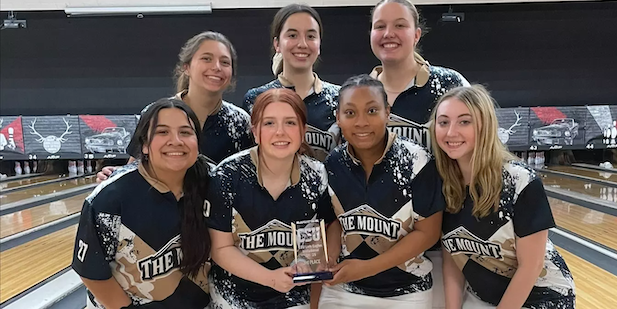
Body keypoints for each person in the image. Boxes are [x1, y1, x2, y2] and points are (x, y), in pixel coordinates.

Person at [431, 85, 576, 309]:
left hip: (543, 297)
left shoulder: (520, 181)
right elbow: (453, 256)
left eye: (464, 121)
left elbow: (532, 265)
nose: (451, 132)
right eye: (443, 122)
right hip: (484, 298)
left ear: (484, 126)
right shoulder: (442, 183)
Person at [72, 98, 214, 309]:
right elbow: (91, 272)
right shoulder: (110, 198)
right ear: (145, 145)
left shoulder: (213, 183)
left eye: (185, 132)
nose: (175, 140)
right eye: (162, 132)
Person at [319, 75, 444, 308]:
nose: (361, 122)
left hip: (407, 291)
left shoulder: (417, 161)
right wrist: (330, 255)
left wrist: (366, 268)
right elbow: (335, 220)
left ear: (388, 112)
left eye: (372, 111)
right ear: (338, 117)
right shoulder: (334, 163)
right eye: (350, 113)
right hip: (345, 288)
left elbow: (428, 233)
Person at [206, 88, 336, 308]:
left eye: (290, 123)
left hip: (295, 298)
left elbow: (331, 225)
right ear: (255, 132)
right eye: (269, 123)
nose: (280, 132)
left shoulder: (317, 175)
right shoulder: (227, 175)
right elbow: (220, 249)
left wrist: (322, 258)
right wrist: (270, 278)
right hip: (234, 299)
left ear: (303, 130)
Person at [97, 31, 254, 181]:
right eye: (207, 59)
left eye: (225, 62)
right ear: (186, 67)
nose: (217, 67)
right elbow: (136, 169)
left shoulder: (241, 122)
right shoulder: (155, 114)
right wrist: (115, 176)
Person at [369, 0, 469, 152]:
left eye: (400, 25)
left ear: (416, 35)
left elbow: (483, 149)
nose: (388, 33)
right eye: (380, 26)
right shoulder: (358, 95)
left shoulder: (450, 85)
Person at [243, 4, 340, 160]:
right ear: (277, 44)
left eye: (311, 36)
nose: (302, 44)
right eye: (292, 35)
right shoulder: (256, 98)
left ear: (319, 44)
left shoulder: (340, 98)